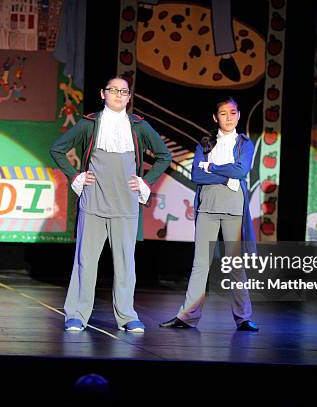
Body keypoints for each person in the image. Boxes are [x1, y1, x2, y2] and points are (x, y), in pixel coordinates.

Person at [50, 77, 171, 333]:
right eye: (113, 90)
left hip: (126, 205)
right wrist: (75, 175)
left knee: (126, 263)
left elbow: (164, 155)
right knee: (85, 260)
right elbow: (58, 149)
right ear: (103, 93)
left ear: (129, 97)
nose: (118, 94)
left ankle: (127, 315)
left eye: (123, 91)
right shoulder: (90, 123)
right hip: (94, 200)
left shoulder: (138, 126)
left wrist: (145, 181)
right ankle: (77, 314)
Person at [160, 97, 259, 331]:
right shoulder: (204, 144)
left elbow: (241, 169)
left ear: (239, 115)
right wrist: (227, 176)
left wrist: (212, 167)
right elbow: (197, 175)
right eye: (223, 114)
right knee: (200, 264)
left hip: (233, 208)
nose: (228, 118)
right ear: (215, 117)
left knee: (235, 264)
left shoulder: (245, 144)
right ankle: (187, 316)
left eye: (233, 113)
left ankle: (243, 317)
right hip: (208, 207)